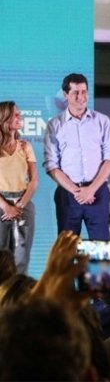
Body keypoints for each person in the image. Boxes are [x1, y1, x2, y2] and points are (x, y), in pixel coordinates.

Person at [43, 73, 110, 240]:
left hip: (98, 192)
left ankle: (99, 269)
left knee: (102, 249)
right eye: (76, 92)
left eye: (84, 92)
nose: (81, 97)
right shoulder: (55, 124)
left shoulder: (102, 121)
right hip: (68, 195)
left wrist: (91, 189)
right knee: (67, 250)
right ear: (65, 95)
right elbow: (51, 164)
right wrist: (76, 191)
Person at [0, 101, 38, 273]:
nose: (19, 117)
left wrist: (19, 206)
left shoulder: (25, 146)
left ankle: (19, 297)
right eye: (15, 114)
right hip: (1, 205)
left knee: (21, 256)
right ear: (4, 118)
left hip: (23, 205)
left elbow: (34, 180)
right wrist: (7, 207)